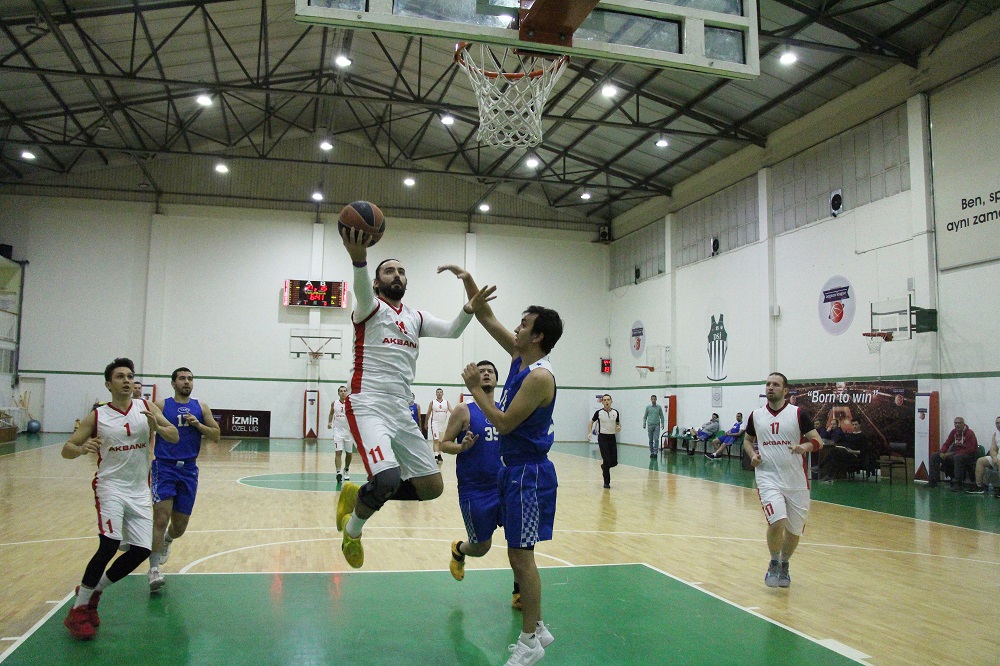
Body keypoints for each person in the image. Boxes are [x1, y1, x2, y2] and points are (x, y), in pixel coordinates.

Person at [334, 232, 495, 571]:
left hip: (400, 407)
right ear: (377, 282)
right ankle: (352, 530)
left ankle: (360, 495)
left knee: (431, 486)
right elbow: (360, 287)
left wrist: (469, 308)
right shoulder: (369, 307)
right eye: (389, 271)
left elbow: (452, 330)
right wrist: (359, 259)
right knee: (388, 478)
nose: (397, 275)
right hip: (367, 403)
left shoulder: (415, 317)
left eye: (401, 271)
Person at [441, 262, 560, 666]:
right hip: (513, 471)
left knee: (521, 557)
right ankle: (537, 627)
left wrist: (476, 390)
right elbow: (486, 316)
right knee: (516, 555)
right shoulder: (520, 357)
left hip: (528, 472)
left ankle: (529, 641)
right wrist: (468, 283)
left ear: (538, 335)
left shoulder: (539, 377)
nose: (517, 327)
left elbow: (505, 423)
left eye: (524, 324)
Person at [61, 358, 178, 639]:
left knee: (141, 550)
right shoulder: (98, 416)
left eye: (130, 376)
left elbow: (174, 435)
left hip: (139, 489)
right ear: (108, 384)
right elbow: (67, 448)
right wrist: (81, 449)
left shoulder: (146, 408)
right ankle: (77, 611)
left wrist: (159, 427)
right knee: (109, 544)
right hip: (110, 487)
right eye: (120, 376)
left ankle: (94, 592)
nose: (127, 380)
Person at [440, 360, 520, 606]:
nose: (486, 374)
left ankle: (519, 591)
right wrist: (461, 447)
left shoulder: (505, 411)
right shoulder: (464, 410)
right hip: (475, 489)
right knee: (482, 547)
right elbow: (443, 444)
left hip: (505, 486)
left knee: (518, 542)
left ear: (496, 379)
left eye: (490, 372)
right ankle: (459, 549)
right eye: (482, 371)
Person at [743, 372, 823, 589]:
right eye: (768, 384)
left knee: (794, 531)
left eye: (776, 385)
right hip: (768, 477)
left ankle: (784, 564)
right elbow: (747, 441)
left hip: (796, 481)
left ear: (785, 390)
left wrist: (803, 447)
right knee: (777, 521)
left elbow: (818, 441)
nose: (770, 387)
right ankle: (773, 562)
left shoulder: (798, 414)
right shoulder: (756, 415)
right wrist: (752, 455)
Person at [148, 367, 220, 592]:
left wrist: (198, 425)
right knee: (160, 518)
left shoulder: (201, 407)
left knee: (179, 527)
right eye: (182, 378)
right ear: (173, 383)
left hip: (188, 470)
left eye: (189, 378)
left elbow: (216, 435)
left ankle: (168, 539)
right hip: (164, 467)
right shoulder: (161, 405)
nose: (186, 382)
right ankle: (153, 570)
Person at [926, 417, 979, 490]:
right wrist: (942, 452)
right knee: (934, 455)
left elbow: (970, 450)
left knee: (957, 457)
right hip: (955, 454)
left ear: (963, 424)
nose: (957, 425)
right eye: (955, 423)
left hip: (969, 456)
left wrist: (951, 454)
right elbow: (947, 443)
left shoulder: (970, 433)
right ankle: (932, 481)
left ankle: (957, 484)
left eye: (959, 423)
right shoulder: (954, 432)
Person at [590, 395, 621, 488]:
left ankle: (604, 467)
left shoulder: (615, 412)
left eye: (608, 400)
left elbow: (618, 423)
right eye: (605, 400)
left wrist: (619, 427)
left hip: (612, 437)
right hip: (602, 437)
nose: (607, 401)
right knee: (606, 459)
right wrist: (590, 432)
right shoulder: (598, 413)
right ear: (602, 402)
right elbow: (591, 423)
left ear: (611, 401)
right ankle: (606, 482)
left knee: (614, 462)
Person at [327, 386, 355, 482]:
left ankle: (346, 469)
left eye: (344, 391)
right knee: (338, 451)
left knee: (349, 454)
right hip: (338, 431)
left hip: (349, 432)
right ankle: (338, 472)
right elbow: (331, 413)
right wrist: (329, 422)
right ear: (338, 393)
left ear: (347, 393)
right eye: (341, 391)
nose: (343, 392)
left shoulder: (351, 403)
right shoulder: (334, 403)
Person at [968, 416, 1000, 496]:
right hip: (998, 457)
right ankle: (979, 487)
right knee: (981, 461)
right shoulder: (996, 435)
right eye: (997, 423)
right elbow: (993, 449)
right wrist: (995, 459)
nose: (998, 425)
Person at [426, 388, 452, 463]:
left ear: (443, 394)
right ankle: (436, 456)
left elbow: (452, 411)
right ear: (436, 394)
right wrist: (426, 423)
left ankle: (439, 455)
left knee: (441, 441)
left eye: (440, 392)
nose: (439, 393)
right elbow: (428, 413)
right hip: (435, 423)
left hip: (443, 424)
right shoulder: (432, 402)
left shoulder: (446, 402)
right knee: (436, 440)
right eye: (438, 392)